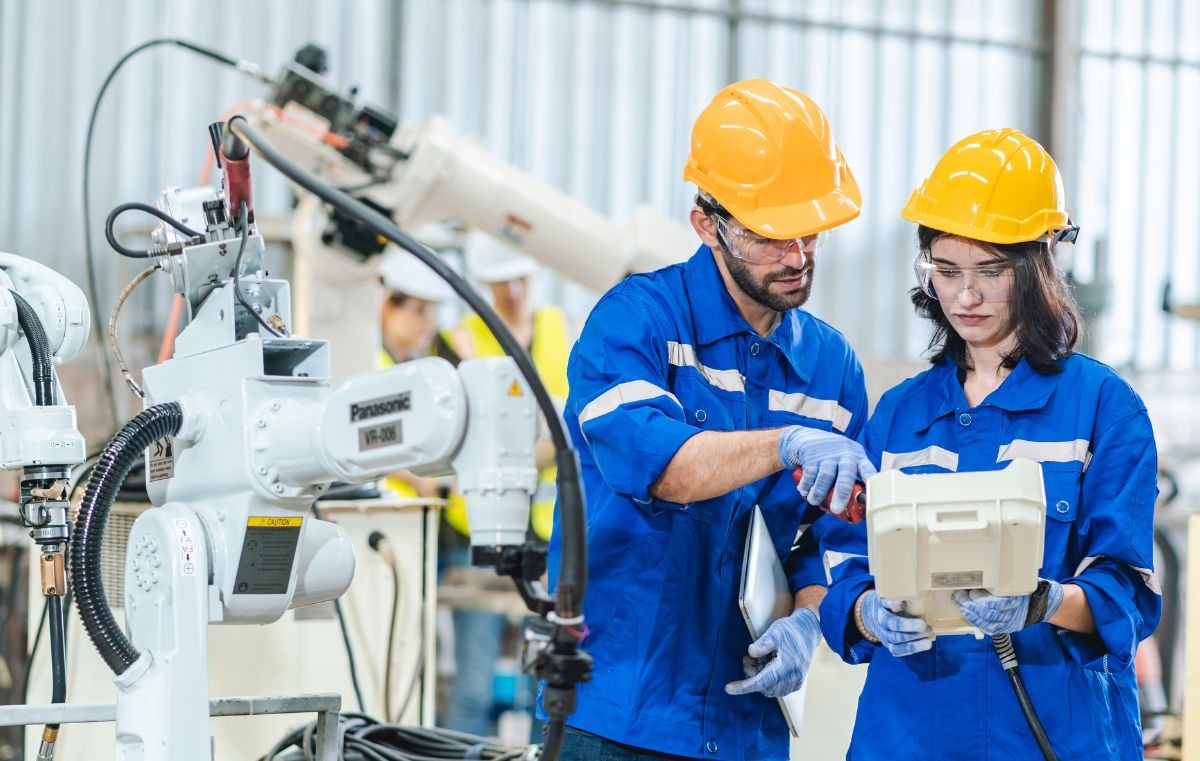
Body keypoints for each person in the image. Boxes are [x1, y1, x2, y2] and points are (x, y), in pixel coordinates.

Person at [544, 79, 876, 760]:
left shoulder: (832, 371)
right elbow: (663, 466)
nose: (796, 255)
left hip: (749, 720)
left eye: (809, 230)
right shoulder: (636, 322)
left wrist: (807, 622)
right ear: (706, 223)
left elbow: (831, 540)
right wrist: (783, 444)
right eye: (768, 234)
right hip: (618, 714)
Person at [819, 128, 1161, 759]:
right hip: (908, 734)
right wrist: (868, 614)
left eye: (990, 270)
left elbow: (1129, 594)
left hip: (1053, 733)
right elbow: (842, 565)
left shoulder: (1101, 408)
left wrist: (1045, 601)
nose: (966, 295)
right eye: (947, 271)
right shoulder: (898, 416)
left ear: (1039, 265)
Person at [438, 232, 571, 737]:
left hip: (547, 531)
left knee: (542, 684)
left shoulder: (561, 329)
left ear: (534, 273)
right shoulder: (462, 339)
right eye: (500, 283)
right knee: (473, 685)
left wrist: (523, 452)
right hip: (481, 536)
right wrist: (539, 452)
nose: (512, 292)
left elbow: (575, 421)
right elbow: (461, 439)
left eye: (519, 279)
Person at [376, 247, 450, 499]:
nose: (429, 322)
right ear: (388, 308)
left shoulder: (414, 369)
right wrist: (413, 477)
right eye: (419, 310)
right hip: (380, 508)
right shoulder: (371, 368)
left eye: (432, 311)